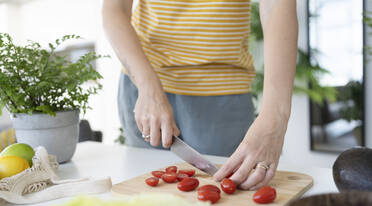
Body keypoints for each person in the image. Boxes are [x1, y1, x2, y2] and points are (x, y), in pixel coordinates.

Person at [102, 0, 298, 190]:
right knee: (145, 202)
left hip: (223, 98)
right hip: (143, 85)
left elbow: (276, 5)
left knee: (227, 202)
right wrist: (147, 86)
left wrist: (275, 117)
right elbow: (115, 7)